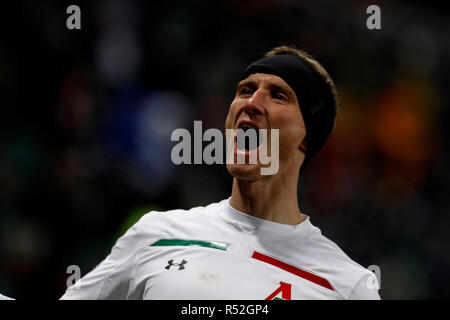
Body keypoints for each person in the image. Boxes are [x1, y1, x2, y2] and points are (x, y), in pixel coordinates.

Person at [60, 45, 380, 300]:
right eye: (245, 89)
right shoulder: (156, 235)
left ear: (307, 138)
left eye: (279, 95)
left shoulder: (347, 286)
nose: (252, 102)